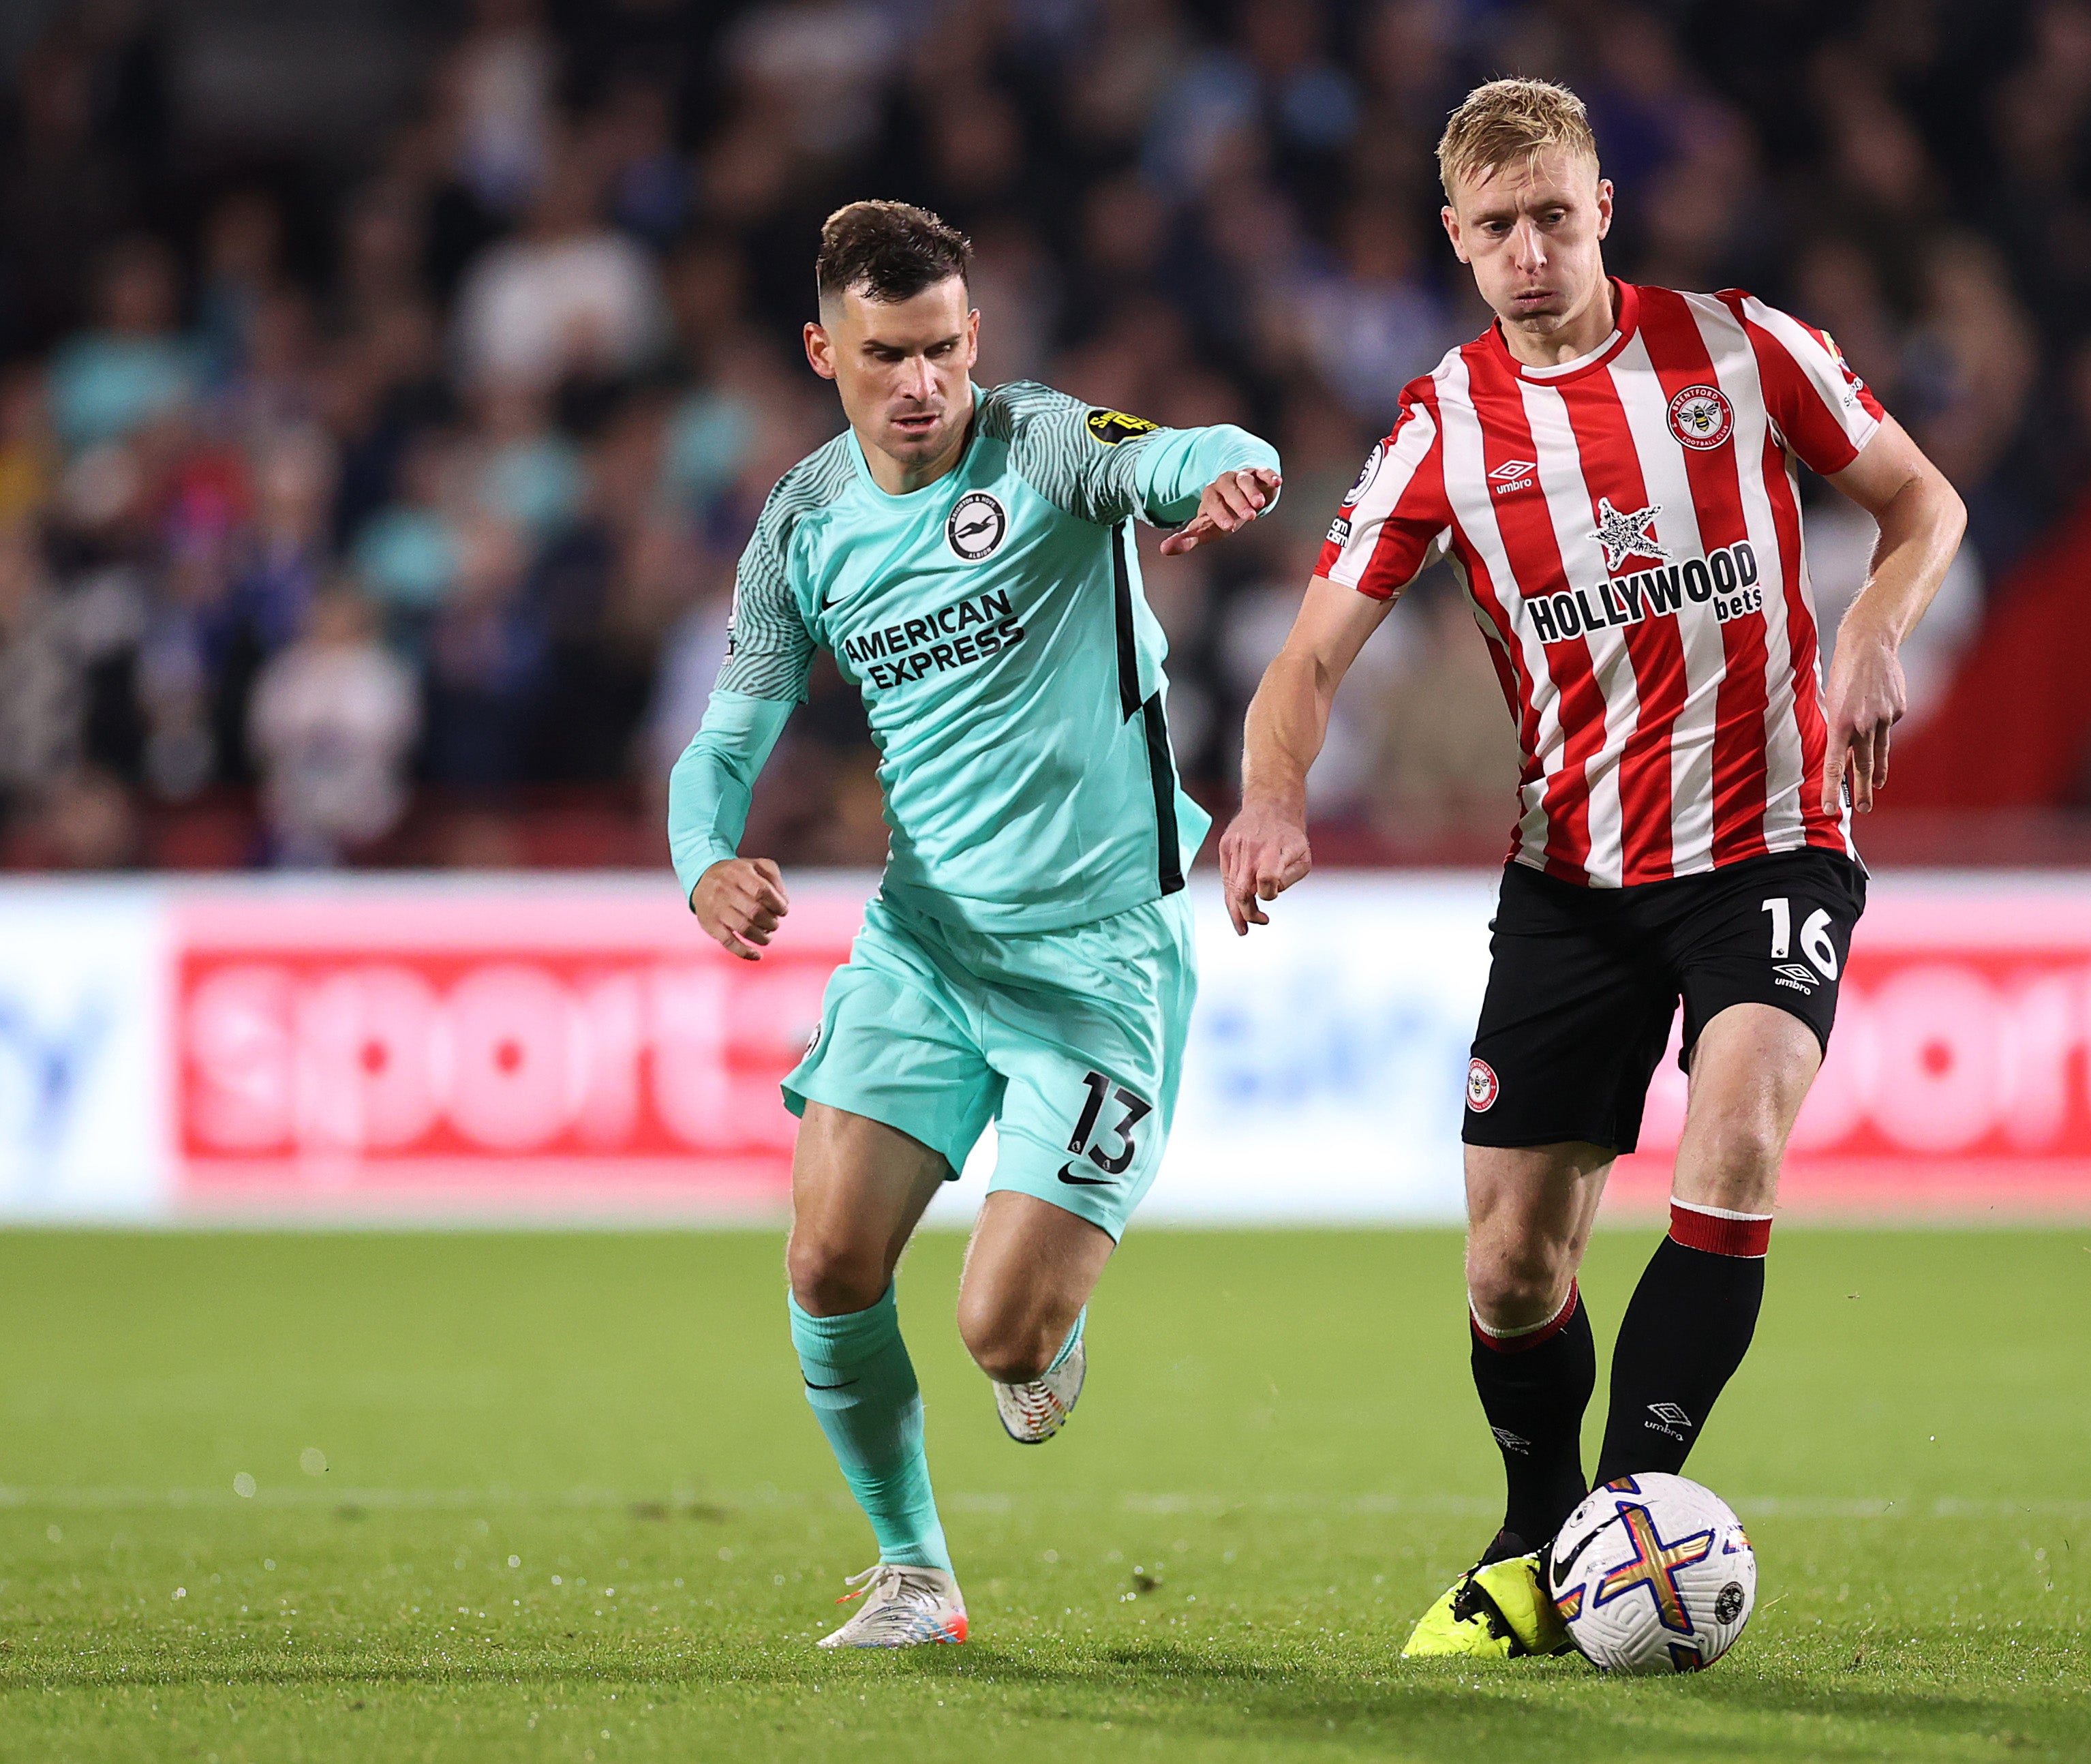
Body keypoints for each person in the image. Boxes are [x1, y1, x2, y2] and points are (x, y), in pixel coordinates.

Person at [1221, 79, 1966, 1658]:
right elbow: (1306, 657)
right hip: (1569, 874)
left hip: (1771, 831)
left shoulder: (1741, 348)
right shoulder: (1441, 424)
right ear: (1457, 242)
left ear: (1604, 208)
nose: (1532, 250)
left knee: (1741, 1128)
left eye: (1556, 215)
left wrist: (1872, 624)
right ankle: (1539, 1525)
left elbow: (1921, 503)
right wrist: (1272, 798)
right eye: (1498, 228)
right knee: (1508, 1266)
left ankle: (1619, 1530)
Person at [667, 200, 1279, 1649]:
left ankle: (1040, 1335)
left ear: (977, 338)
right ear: (827, 351)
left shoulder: (1047, 443)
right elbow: (730, 733)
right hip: (929, 945)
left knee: (999, 1330)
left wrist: (1230, 472)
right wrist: (705, 858)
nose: (924, 383)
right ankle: (914, 1572)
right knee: (826, 1261)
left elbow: (1184, 450)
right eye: (889, 355)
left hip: (1101, 955)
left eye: (945, 347)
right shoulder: (805, 522)